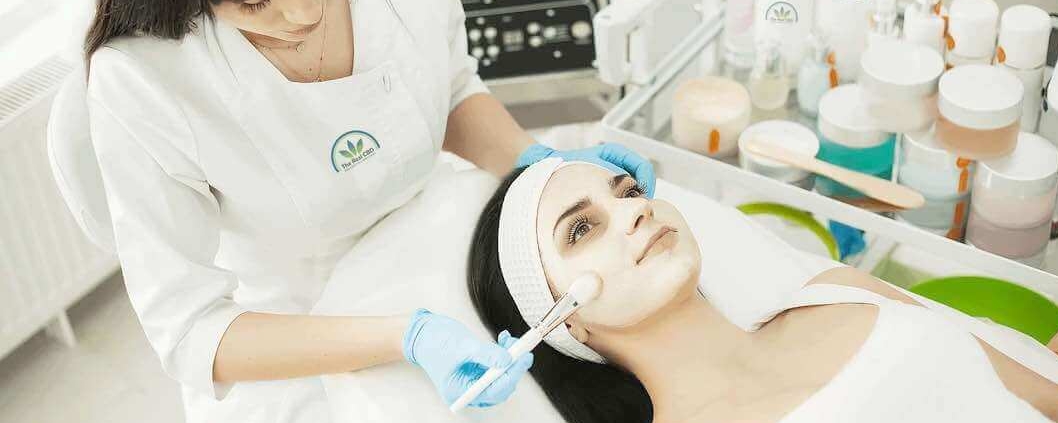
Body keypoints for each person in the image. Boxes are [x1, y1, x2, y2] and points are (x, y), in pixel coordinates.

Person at [82, 0, 655, 421]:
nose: (303, 12)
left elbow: (450, 86)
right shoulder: (143, 80)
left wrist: (538, 164)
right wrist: (409, 338)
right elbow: (190, 333)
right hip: (293, 331)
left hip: (442, 232)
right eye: (256, 3)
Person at [467, 159, 1058, 423]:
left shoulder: (836, 294)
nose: (633, 212)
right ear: (566, 322)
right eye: (581, 228)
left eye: (626, 192)